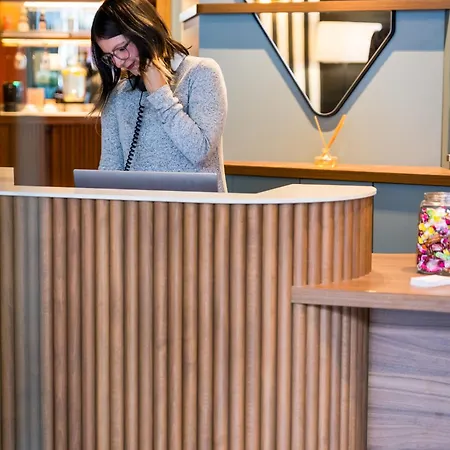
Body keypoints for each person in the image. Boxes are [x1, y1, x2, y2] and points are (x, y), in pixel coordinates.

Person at [90, 0, 228, 192]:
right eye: (110, 56)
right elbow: (109, 170)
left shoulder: (201, 73)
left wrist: (161, 94)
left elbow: (200, 152)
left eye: (121, 49)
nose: (119, 62)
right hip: (141, 210)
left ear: (144, 30)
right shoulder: (118, 96)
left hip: (198, 209)